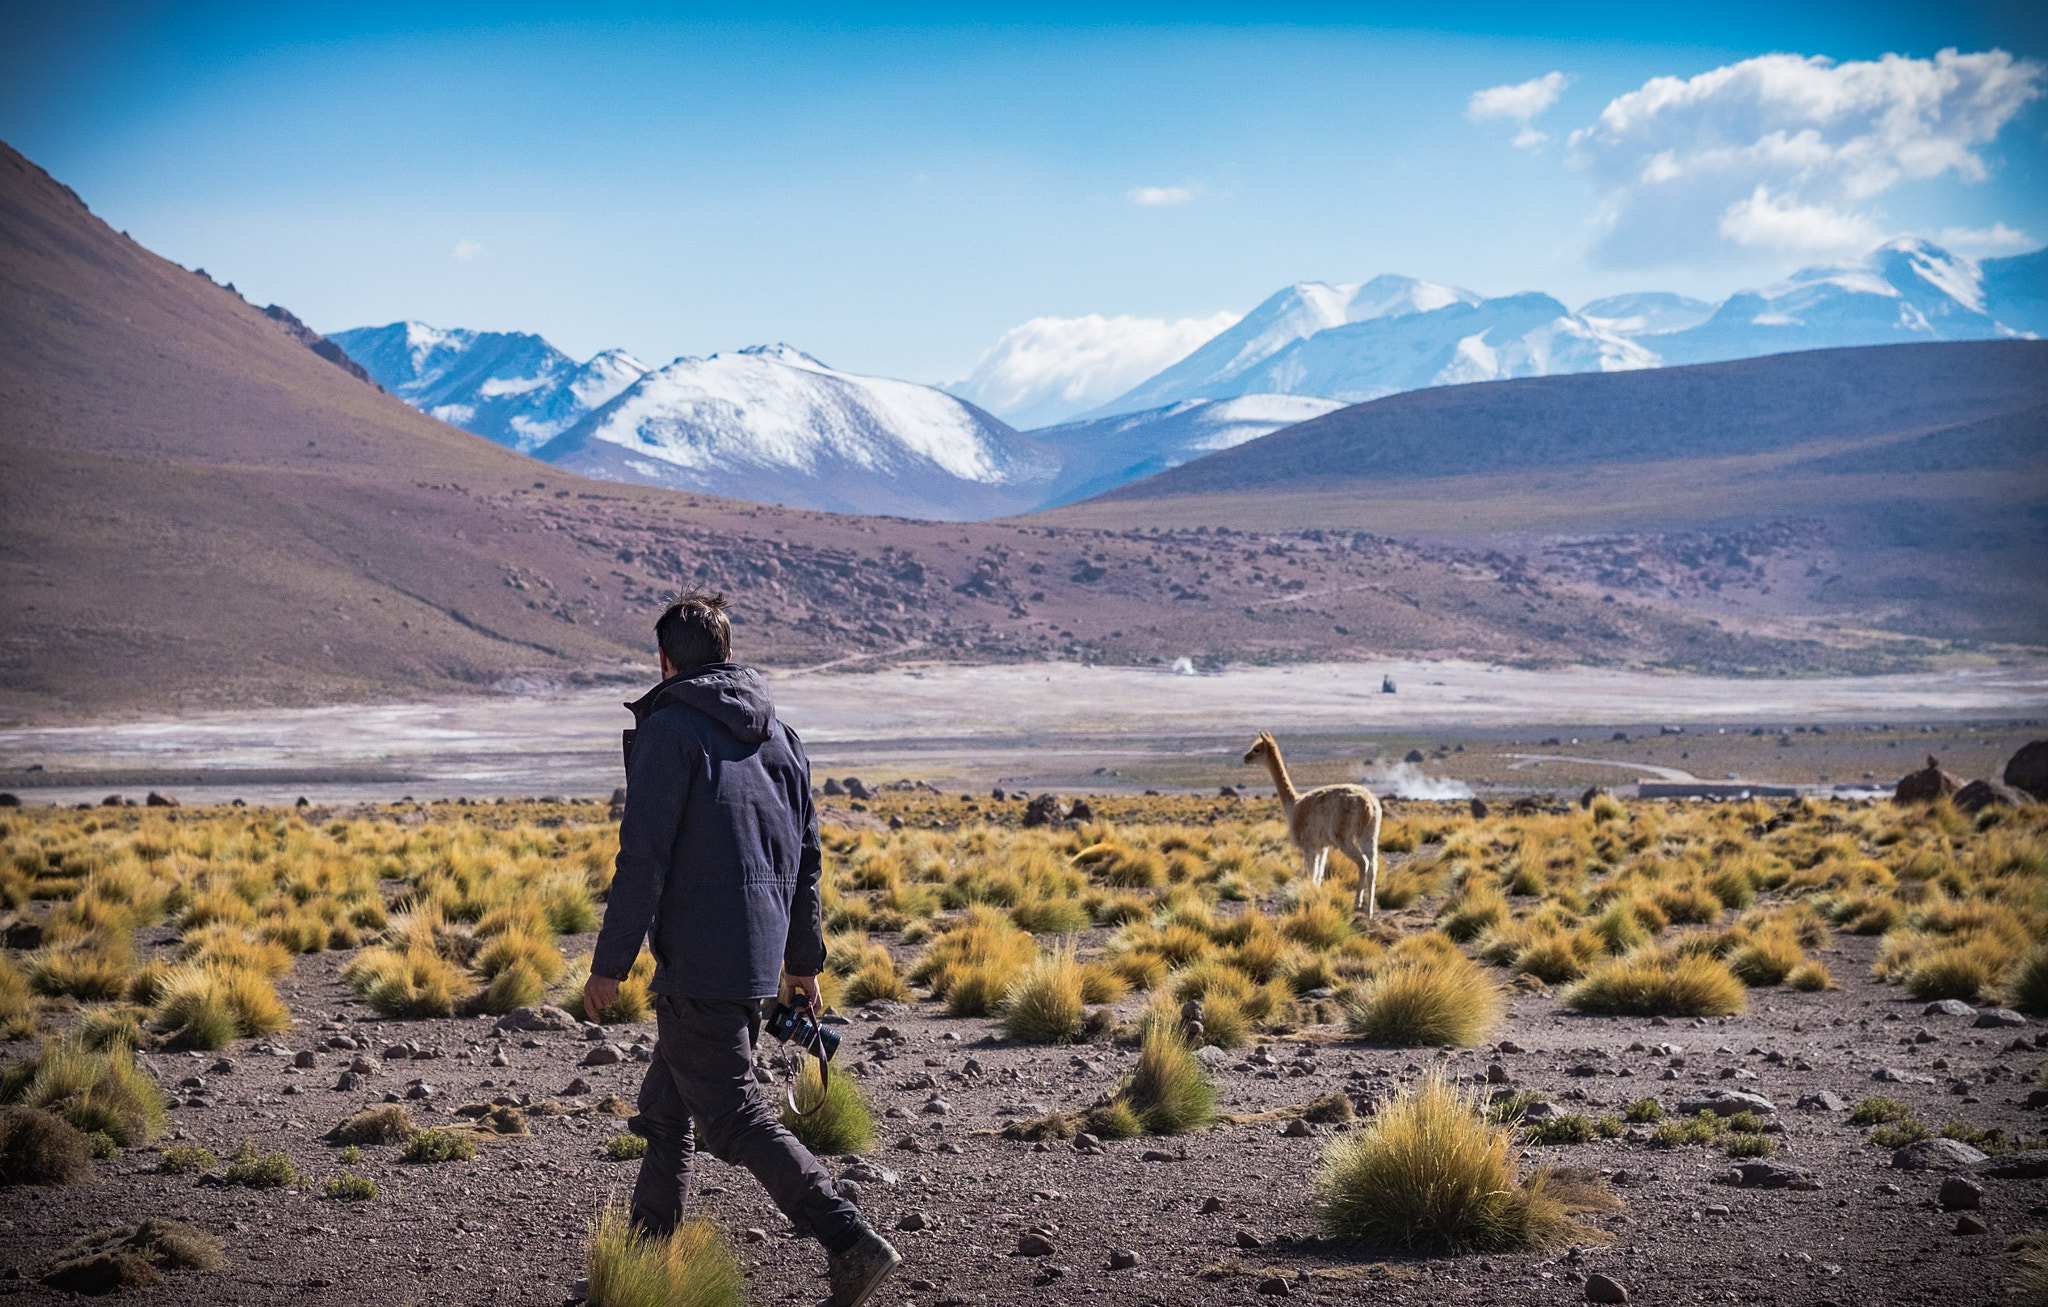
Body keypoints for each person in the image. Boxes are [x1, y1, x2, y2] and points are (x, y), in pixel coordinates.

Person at [585, 591, 900, 1307]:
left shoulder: (671, 730)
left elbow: (643, 857)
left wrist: (610, 963)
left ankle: (849, 1237)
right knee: (666, 1109)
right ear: (725, 654)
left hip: (699, 959)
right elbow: (808, 860)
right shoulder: (782, 736)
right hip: (753, 958)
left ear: (666, 661)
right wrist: (801, 964)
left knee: (732, 1114)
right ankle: (642, 1261)